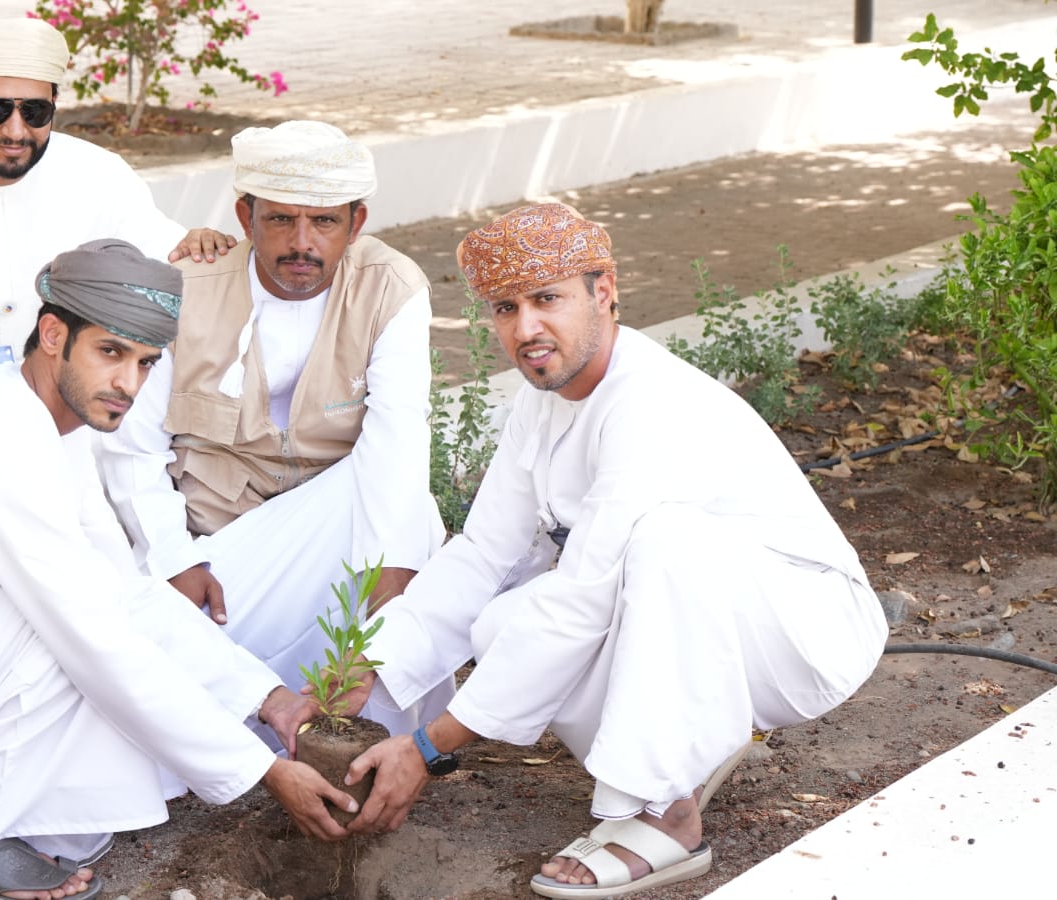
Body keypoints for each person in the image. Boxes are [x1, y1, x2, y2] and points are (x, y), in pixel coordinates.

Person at [338, 204, 888, 897]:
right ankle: (678, 763)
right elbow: (484, 553)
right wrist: (365, 665)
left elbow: (584, 593)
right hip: (706, 610)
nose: (525, 329)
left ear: (603, 291)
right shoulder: (541, 399)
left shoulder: (650, 400)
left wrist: (428, 746)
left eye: (547, 299)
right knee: (501, 624)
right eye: (506, 309)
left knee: (661, 541)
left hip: (802, 622)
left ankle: (667, 815)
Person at [0, 240, 357, 900]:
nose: (129, 384)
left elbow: (130, 594)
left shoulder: (49, 427)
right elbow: (96, 635)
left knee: (90, 597)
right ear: (53, 335)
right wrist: (260, 770)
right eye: (110, 353)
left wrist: (269, 698)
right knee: (63, 619)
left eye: (145, 363)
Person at [96, 120, 451, 735]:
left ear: (356, 224)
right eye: (281, 219)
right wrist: (174, 561)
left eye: (325, 222)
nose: (302, 243)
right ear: (246, 217)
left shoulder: (390, 289)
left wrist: (384, 620)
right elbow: (131, 449)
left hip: (336, 539)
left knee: (407, 507)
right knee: (165, 681)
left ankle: (375, 743)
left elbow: (397, 439)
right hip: (216, 548)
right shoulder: (186, 290)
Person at [0, 17, 234, 432]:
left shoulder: (97, 174)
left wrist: (197, 245)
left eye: (35, 112)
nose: (16, 131)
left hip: (68, 421)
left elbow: (159, 253)